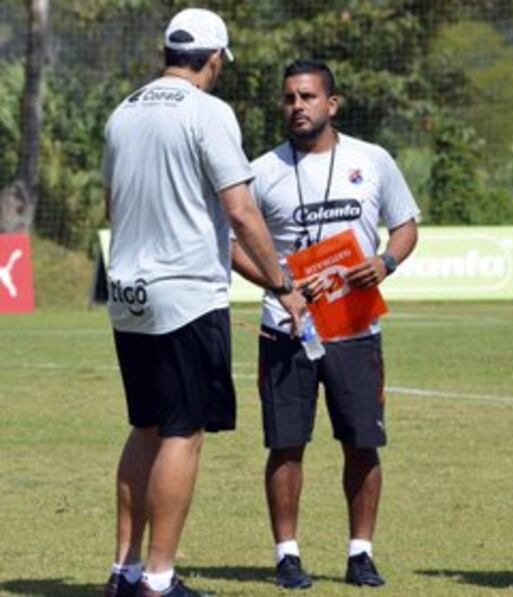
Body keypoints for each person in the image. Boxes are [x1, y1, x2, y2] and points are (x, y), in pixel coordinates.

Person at [101, 9, 304, 597]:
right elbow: (240, 211)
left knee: (145, 426)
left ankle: (126, 569)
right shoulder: (209, 113)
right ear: (214, 59)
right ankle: (159, 580)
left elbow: (112, 208)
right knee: (182, 433)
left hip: (128, 293)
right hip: (186, 295)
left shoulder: (123, 111)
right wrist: (283, 283)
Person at [232, 59, 419, 590]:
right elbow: (230, 243)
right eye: (289, 98)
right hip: (285, 328)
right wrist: (279, 286)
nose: (298, 107)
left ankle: (361, 553)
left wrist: (385, 263)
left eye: (308, 97)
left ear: (331, 104)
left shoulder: (372, 159)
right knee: (286, 443)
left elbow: (405, 226)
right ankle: (287, 555)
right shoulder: (262, 170)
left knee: (362, 442)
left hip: (355, 327)